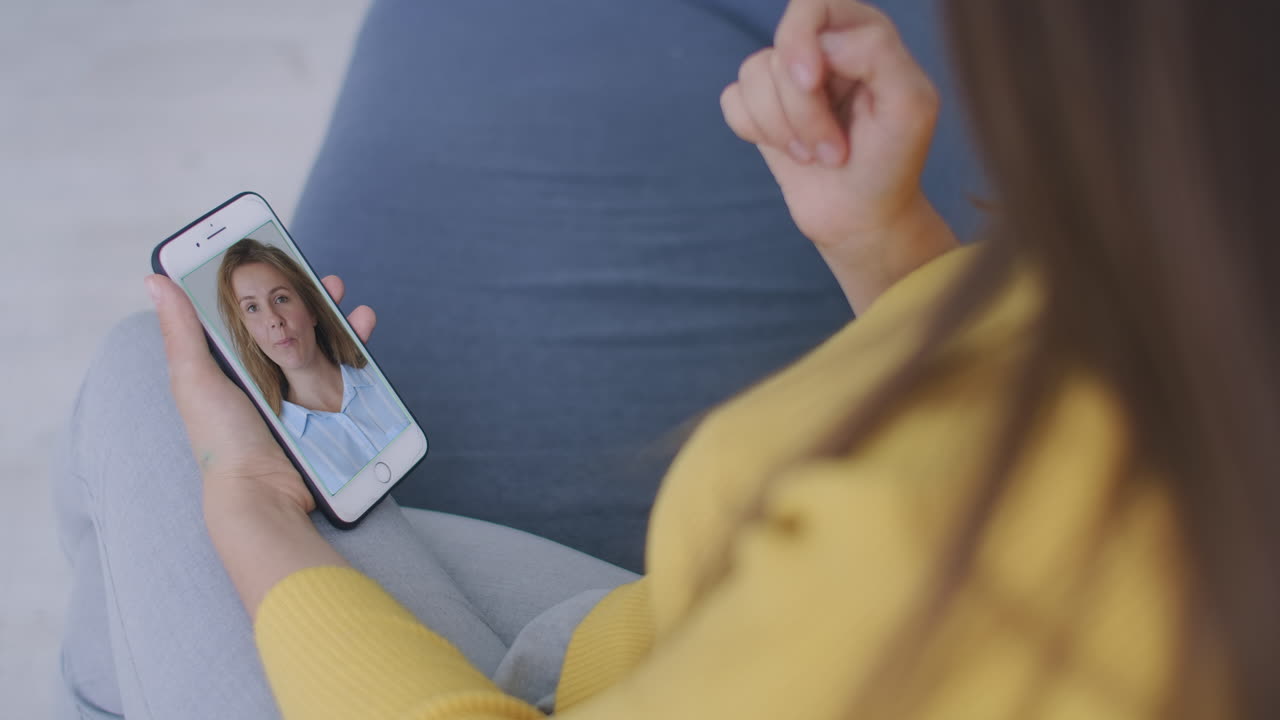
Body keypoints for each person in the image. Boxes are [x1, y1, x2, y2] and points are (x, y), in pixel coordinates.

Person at [53, 0, 1279, 719]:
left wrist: (251, 508)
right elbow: (1012, 403)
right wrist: (887, 247)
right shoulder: (1202, 332)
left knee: (147, 396)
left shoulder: (941, 567)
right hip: (645, 639)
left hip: (634, 663)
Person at [216, 238, 410, 495]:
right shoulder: (277, 442)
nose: (274, 319)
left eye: (281, 298)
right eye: (252, 308)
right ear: (247, 333)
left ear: (312, 311)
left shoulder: (375, 377)